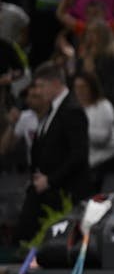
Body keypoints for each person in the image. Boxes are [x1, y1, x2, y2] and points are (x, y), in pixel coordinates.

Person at [15, 62, 90, 242]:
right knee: (25, 233)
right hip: (47, 188)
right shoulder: (53, 110)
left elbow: (79, 155)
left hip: (63, 190)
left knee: (30, 234)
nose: (38, 91)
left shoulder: (71, 110)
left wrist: (50, 180)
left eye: (41, 86)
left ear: (55, 83)